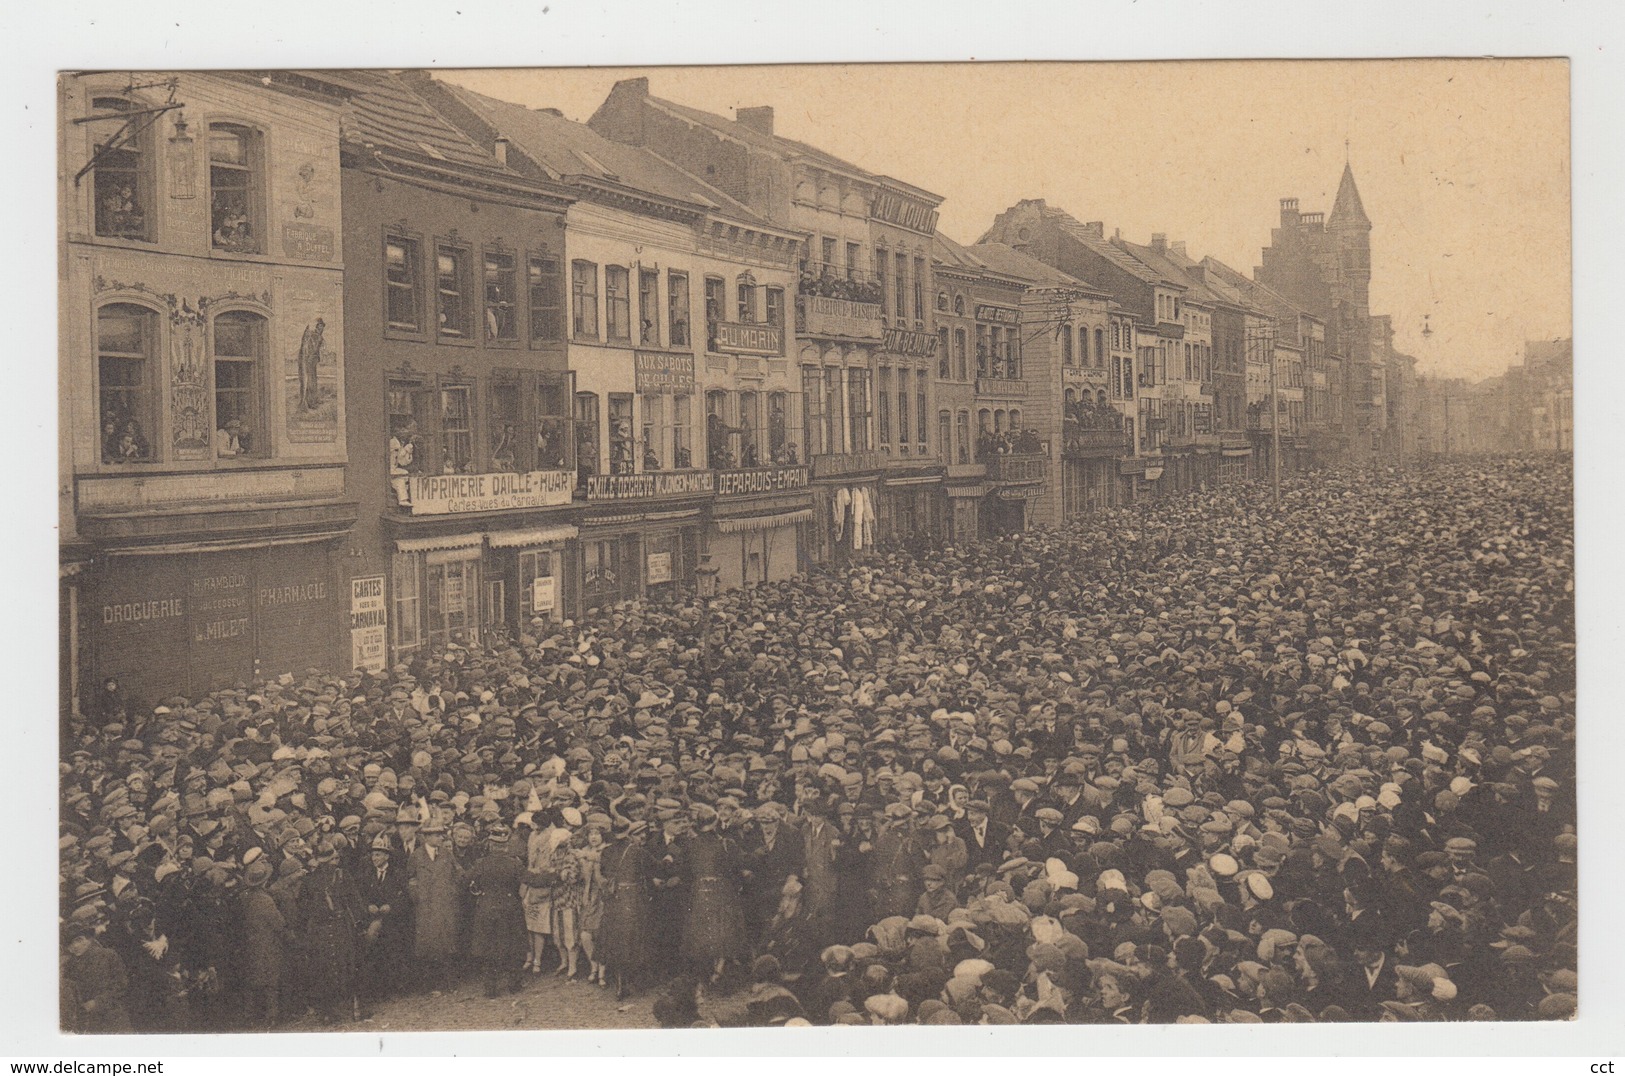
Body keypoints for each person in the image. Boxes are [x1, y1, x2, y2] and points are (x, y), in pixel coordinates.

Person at [465, 822, 526, 998]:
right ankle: (514, 985)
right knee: (513, 947)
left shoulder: (481, 863)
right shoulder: (514, 864)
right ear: (506, 845)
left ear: (490, 845)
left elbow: (464, 880)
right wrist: (554, 876)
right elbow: (531, 879)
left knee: (489, 949)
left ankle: (490, 989)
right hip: (510, 908)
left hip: (486, 908)